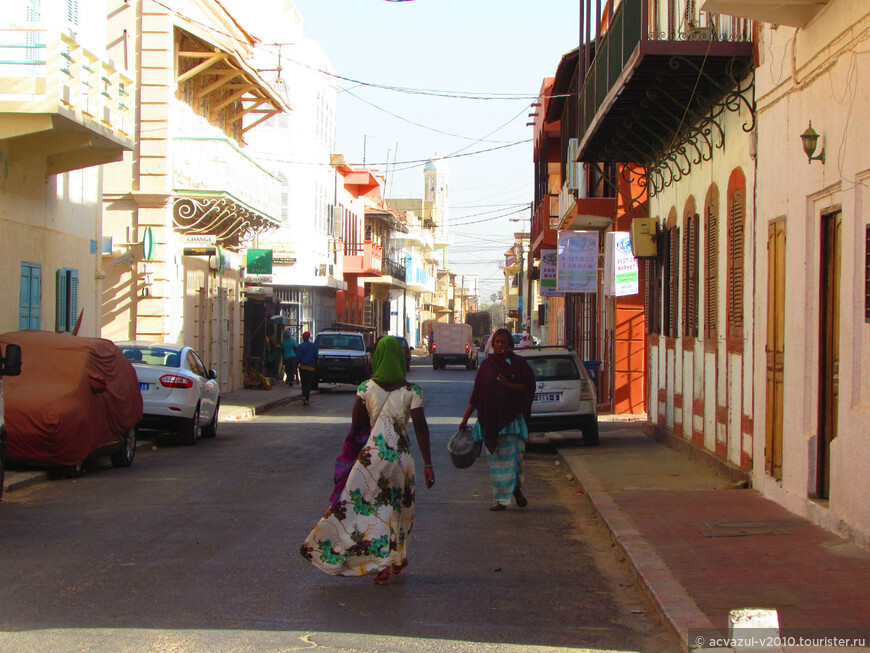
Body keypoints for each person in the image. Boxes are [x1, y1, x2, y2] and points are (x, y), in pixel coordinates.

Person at [301, 336, 434, 584]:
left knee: (375, 510)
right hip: (402, 461)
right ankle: (394, 559)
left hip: (372, 459)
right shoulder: (412, 391)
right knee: (399, 509)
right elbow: (421, 428)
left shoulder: (365, 389)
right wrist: (428, 464)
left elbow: (357, 424)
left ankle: (381, 562)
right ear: (400, 357)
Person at [458, 327, 535, 511]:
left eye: (504, 342)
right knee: (498, 465)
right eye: (497, 342)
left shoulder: (519, 365)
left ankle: (516, 490)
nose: (501, 345)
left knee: (515, 461)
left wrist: (509, 385)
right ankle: (500, 500)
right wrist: (464, 419)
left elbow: (528, 387)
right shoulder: (487, 366)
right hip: (491, 424)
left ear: (510, 345)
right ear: (492, 345)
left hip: (512, 423)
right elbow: (476, 395)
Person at [296, 331, 318, 405]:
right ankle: (306, 398)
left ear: (303, 338)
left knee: (303, 383)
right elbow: (316, 356)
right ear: (309, 338)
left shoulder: (300, 346)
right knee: (308, 384)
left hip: (302, 367)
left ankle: (303, 395)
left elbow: (298, 357)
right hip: (311, 368)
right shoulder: (314, 346)